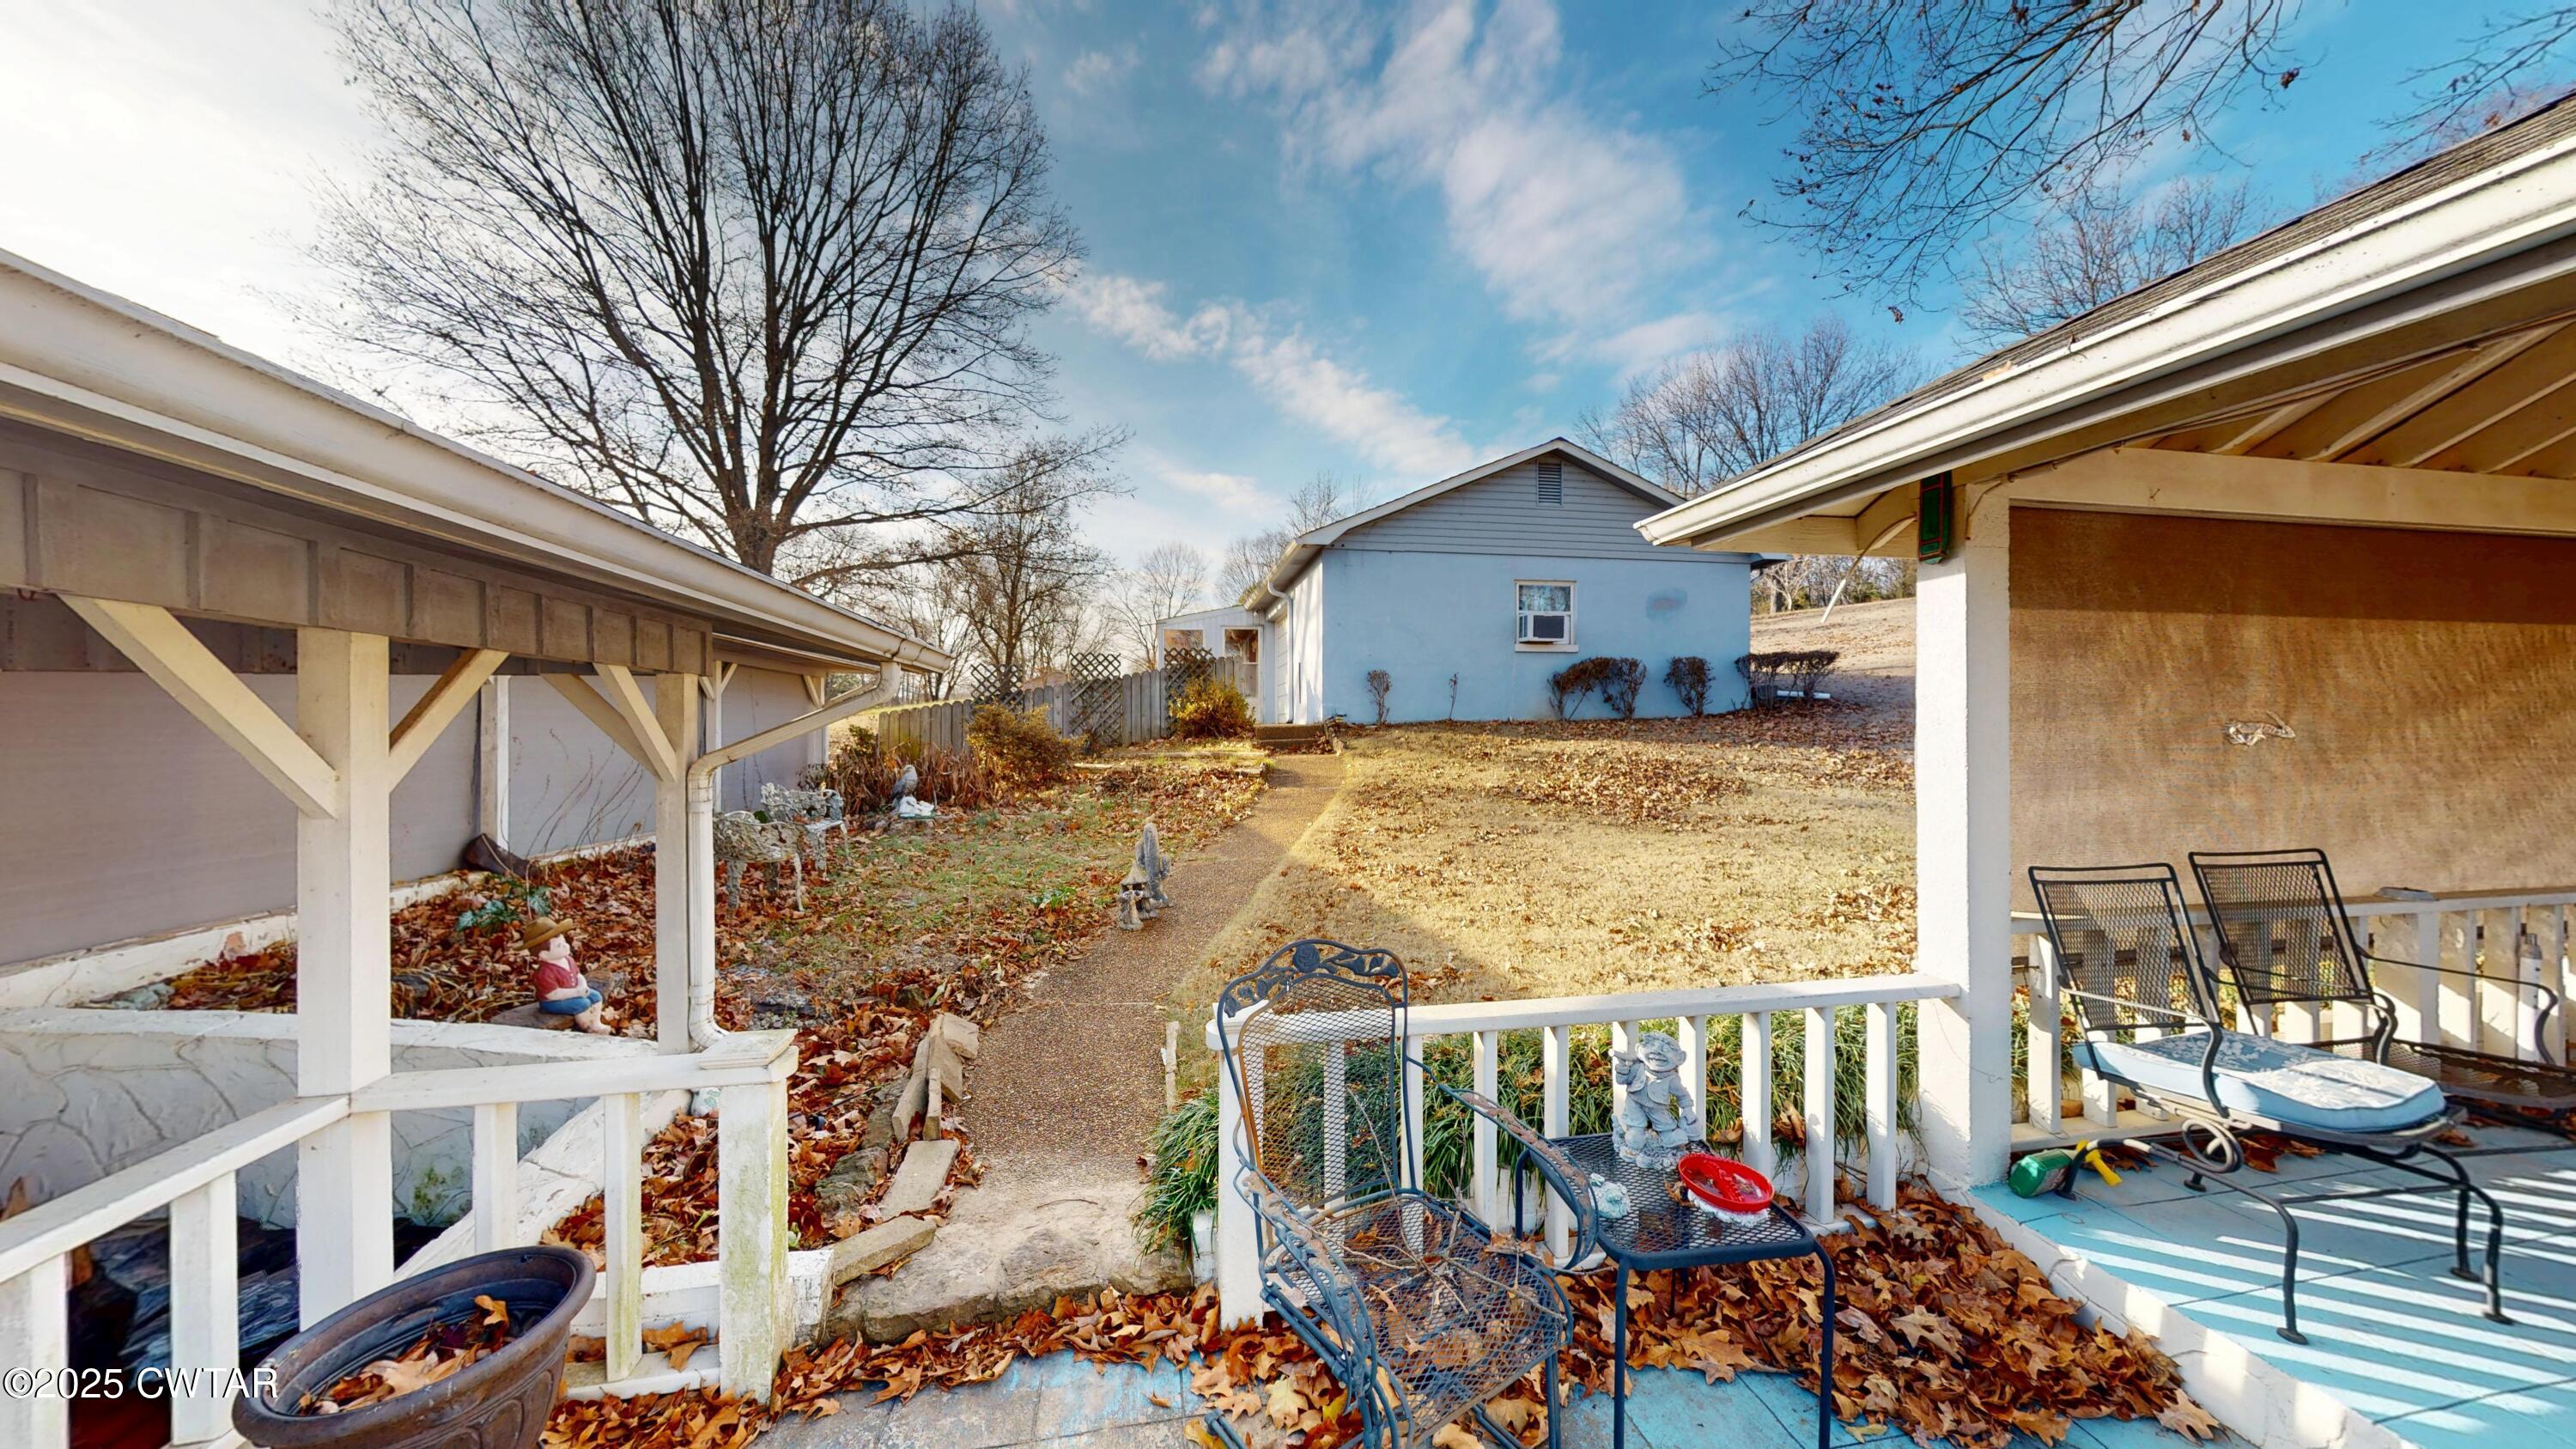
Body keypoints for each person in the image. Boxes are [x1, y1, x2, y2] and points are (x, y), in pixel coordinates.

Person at [523, 916, 611, 1033]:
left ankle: (596, 1023)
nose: (565, 946)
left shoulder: (568, 960)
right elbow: (553, 994)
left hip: (574, 992)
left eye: (564, 942)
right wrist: (577, 993)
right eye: (559, 946)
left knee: (596, 996)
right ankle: (586, 1027)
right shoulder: (544, 972)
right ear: (543, 954)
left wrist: (583, 986)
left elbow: (578, 975)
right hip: (553, 1002)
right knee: (582, 1003)